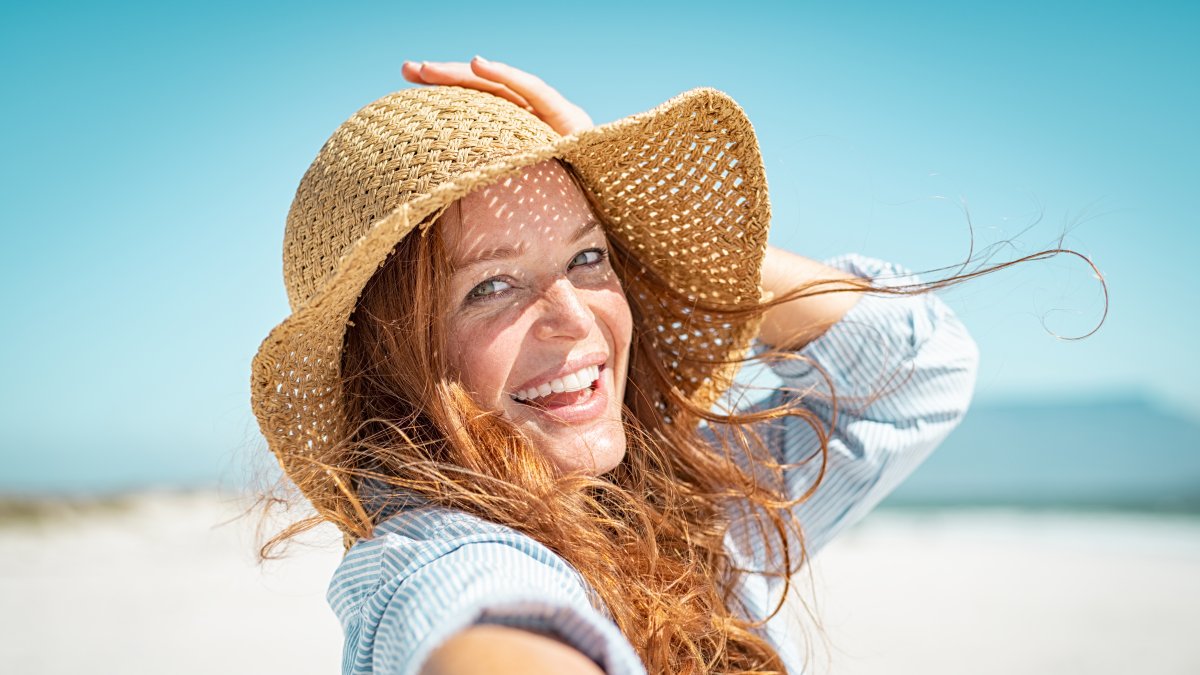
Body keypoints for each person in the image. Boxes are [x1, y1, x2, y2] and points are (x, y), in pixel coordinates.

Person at [250, 57, 985, 674]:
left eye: (589, 255)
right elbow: (485, 622)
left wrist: (666, 246)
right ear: (390, 360)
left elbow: (920, 367)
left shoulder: (683, 510)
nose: (575, 316)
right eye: (491, 285)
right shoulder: (434, 554)